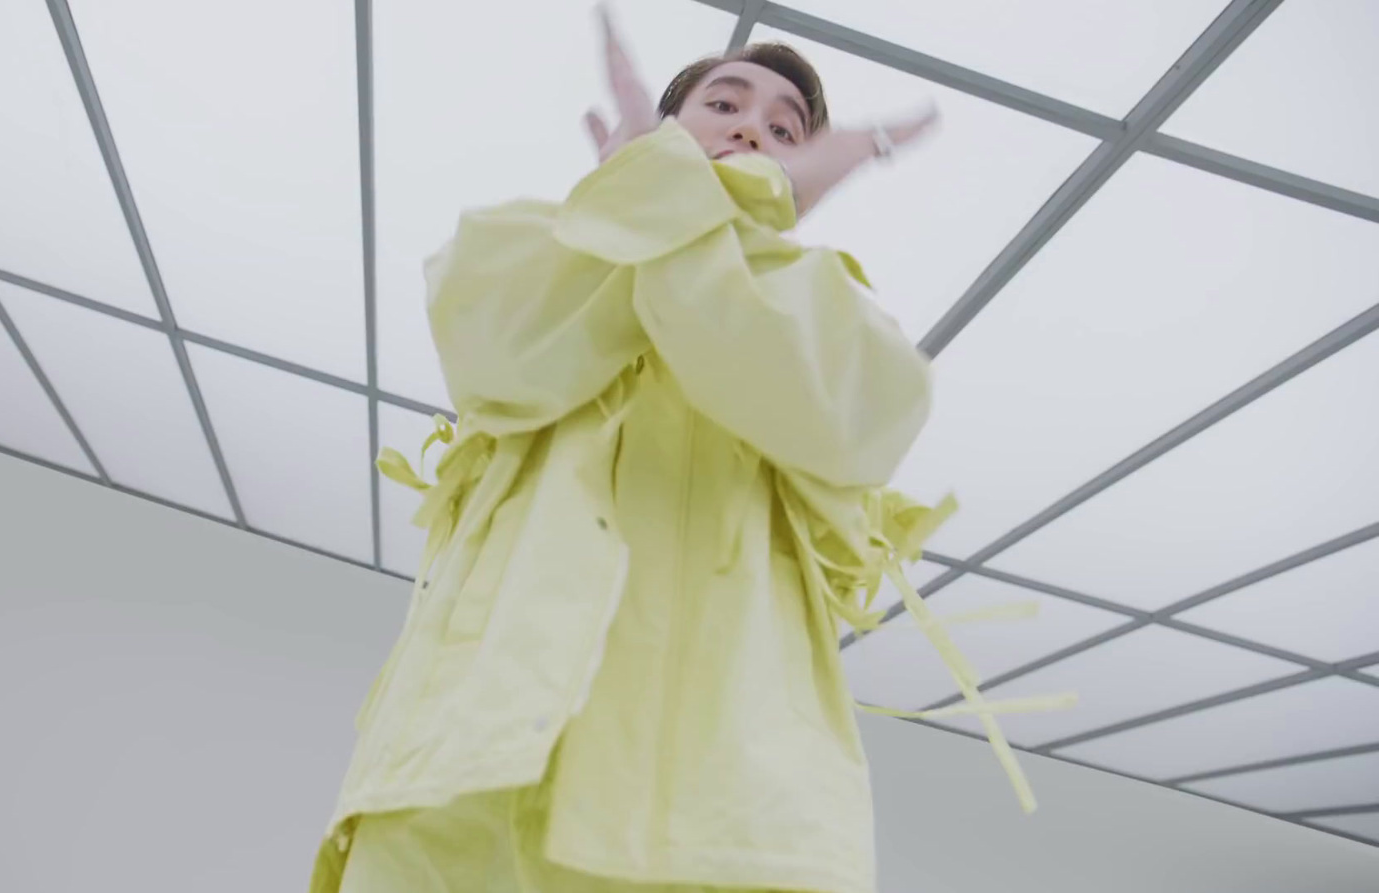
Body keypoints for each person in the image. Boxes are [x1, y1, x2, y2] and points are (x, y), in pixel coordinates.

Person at [312, 10, 1070, 893]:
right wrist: (655, 187)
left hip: (727, 827)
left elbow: (773, 367)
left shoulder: (842, 322)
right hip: (464, 789)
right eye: (724, 104)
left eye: (787, 129)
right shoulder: (529, 250)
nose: (753, 125)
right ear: (668, 132)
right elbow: (506, 353)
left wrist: (699, 192)